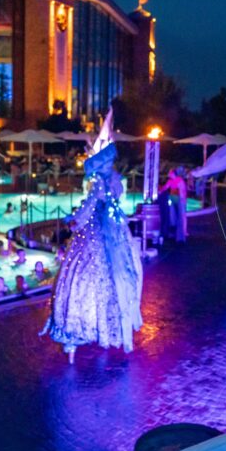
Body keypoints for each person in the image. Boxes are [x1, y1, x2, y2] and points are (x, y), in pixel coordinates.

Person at [41, 110, 143, 363]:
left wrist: (74, 220)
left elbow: (89, 206)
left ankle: (77, 332)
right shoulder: (114, 179)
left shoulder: (99, 181)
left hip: (94, 232)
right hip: (115, 231)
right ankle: (106, 326)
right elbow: (113, 200)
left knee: (81, 275)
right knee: (115, 275)